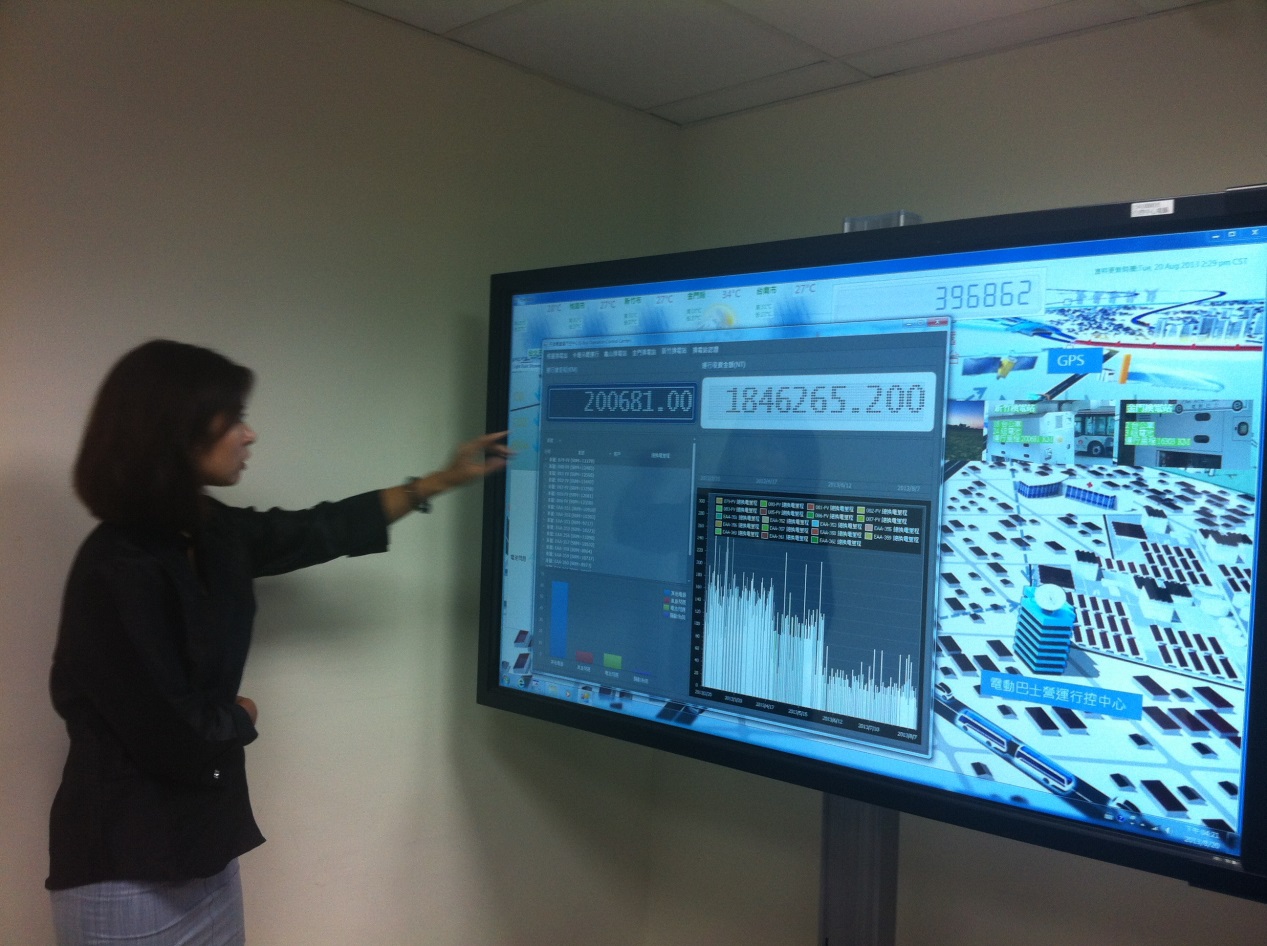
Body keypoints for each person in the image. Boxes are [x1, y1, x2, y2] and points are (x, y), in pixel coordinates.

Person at [46, 339, 509, 946]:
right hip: (126, 872)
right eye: (234, 420)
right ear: (177, 432)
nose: (250, 435)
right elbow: (174, 737)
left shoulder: (207, 531)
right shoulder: (117, 569)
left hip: (205, 851)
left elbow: (316, 529)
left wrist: (439, 481)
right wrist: (243, 715)